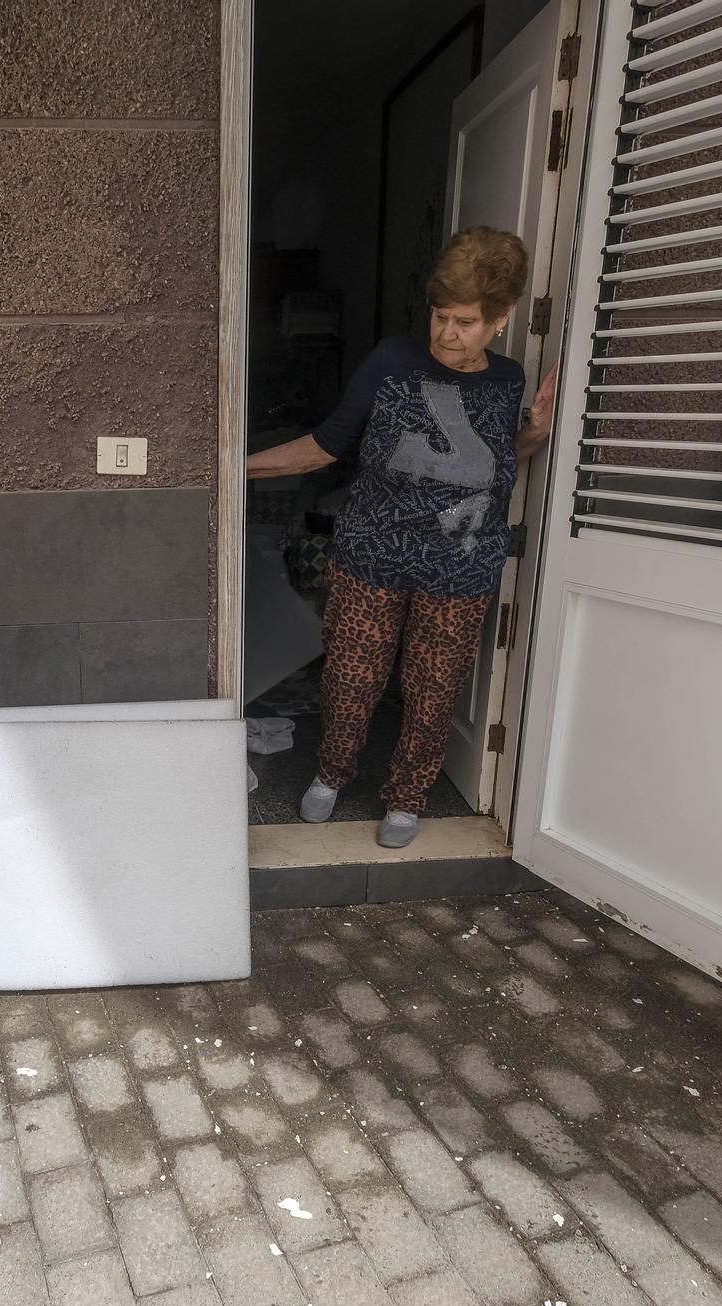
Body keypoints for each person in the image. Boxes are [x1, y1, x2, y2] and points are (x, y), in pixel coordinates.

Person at [248, 226, 557, 848]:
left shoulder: (508, 380)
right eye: (441, 317)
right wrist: (236, 467)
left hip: (460, 569)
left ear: (501, 318)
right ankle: (331, 776)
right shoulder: (392, 360)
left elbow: (496, 463)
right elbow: (329, 444)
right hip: (371, 556)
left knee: (432, 687)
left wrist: (536, 434)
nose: (447, 333)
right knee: (352, 678)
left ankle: (407, 799)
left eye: (466, 322)